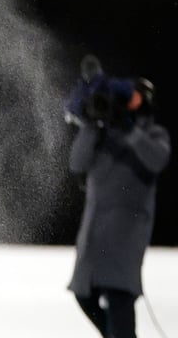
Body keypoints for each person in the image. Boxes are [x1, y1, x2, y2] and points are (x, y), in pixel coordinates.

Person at [66, 70, 171, 338]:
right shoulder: (103, 136)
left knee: (119, 298)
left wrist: (129, 129)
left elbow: (157, 159)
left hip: (125, 235)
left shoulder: (154, 134)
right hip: (94, 236)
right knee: (83, 294)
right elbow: (77, 162)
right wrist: (91, 122)